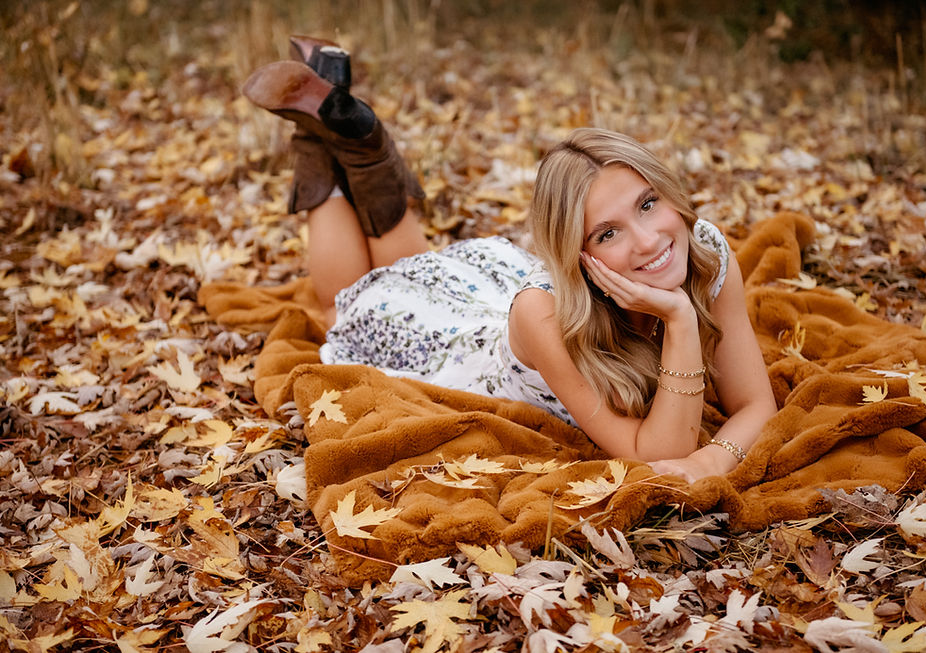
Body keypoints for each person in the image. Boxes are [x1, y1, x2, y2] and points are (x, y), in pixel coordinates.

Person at [243, 37, 777, 482]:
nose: (649, 241)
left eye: (648, 203)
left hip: (485, 288)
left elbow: (756, 407)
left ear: (669, 191)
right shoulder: (544, 313)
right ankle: (318, 143)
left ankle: (349, 137)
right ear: (578, 253)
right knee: (345, 305)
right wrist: (681, 318)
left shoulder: (702, 249)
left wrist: (713, 458)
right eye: (608, 231)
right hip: (447, 348)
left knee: (414, 267)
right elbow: (653, 452)